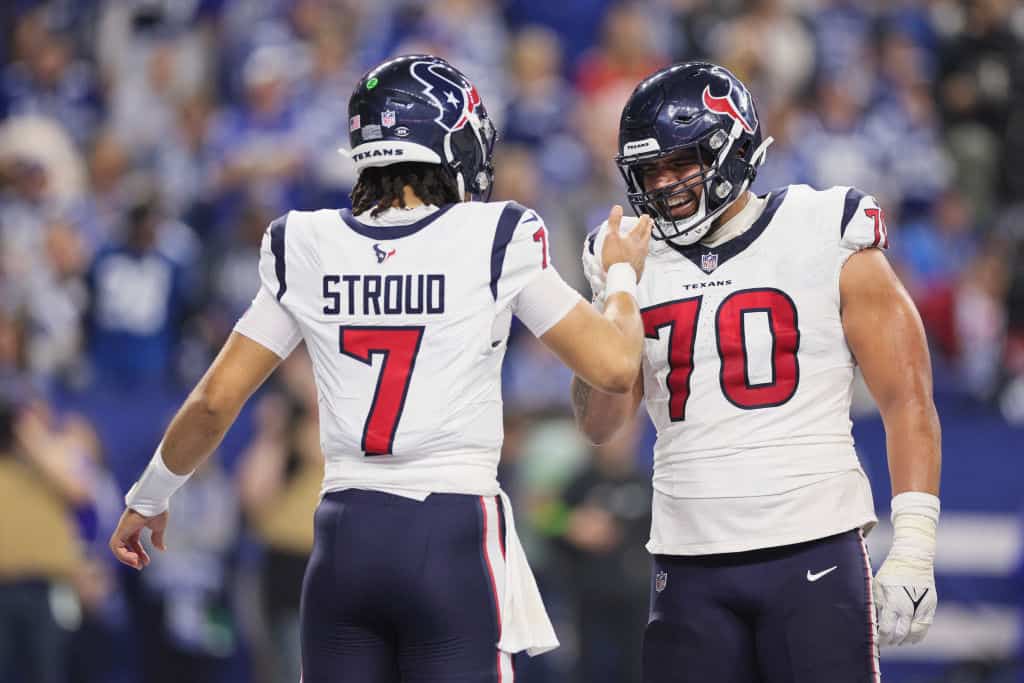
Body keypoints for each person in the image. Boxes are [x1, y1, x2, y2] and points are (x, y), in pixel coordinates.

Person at [109, 54, 653, 683]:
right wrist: (619, 274)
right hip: (451, 531)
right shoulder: (496, 232)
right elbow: (614, 366)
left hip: (344, 537)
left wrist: (149, 496)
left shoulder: (306, 243)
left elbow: (213, 401)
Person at [573, 62, 942, 683]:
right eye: (649, 171)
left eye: (679, 163)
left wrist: (914, 548)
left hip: (813, 545)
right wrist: (617, 288)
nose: (664, 185)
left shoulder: (826, 227)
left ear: (731, 145)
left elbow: (909, 400)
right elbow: (601, 424)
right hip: (686, 558)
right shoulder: (628, 258)